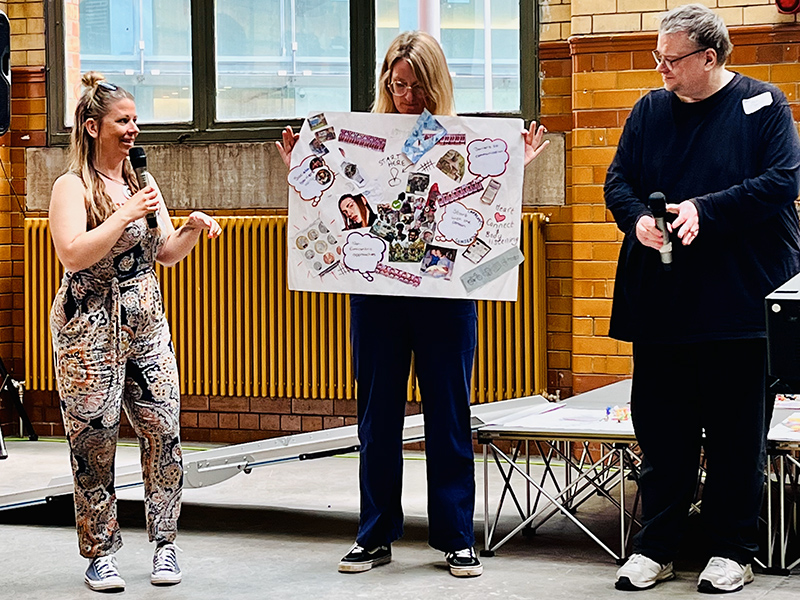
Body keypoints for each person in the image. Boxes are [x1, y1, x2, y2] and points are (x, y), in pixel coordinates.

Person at [277, 31, 549, 578]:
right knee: (377, 417)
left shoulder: (464, 139)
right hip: (377, 295)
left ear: (437, 84)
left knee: (448, 412)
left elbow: (483, 206)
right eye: (398, 85)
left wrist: (515, 166)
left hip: (443, 297)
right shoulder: (362, 140)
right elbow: (335, 205)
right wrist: (303, 166)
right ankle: (375, 533)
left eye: (418, 86)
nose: (407, 97)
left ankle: (455, 537)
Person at [604, 5, 800, 594]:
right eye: (657, 56)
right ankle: (656, 548)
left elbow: (782, 181)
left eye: (671, 58)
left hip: (739, 303)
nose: (659, 66)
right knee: (662, 435)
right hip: (662, 303)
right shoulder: (648, 110)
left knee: (738, 437)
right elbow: (618, 181)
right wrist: (637, 218)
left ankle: (731, 550)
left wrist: (703, 210)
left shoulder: (763, 106)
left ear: (709, 58)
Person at [49, 72, 222, 593]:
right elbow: (73, 253)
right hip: (88, 333)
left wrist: (190, 227)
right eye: (123, 121)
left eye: (135, 121)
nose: (133, 130)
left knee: (164, 432)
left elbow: (164, 253)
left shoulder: (144, 184)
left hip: (146, 327)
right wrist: (125, 212)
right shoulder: (71, 186)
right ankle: (100, 554)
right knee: (94, 444)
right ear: (92, 126)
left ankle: (164, 545)